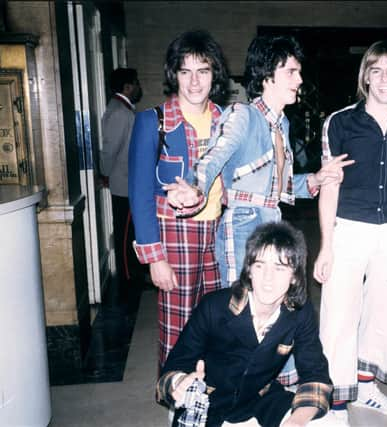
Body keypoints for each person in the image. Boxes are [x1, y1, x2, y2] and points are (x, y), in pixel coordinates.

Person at [164, 34, 353, 289]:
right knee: (240, 306)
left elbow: (277, 188)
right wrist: (195, 187)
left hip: (272, 220)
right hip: (243, 222)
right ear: (267, 75)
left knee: (266, 308)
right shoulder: (243, 115)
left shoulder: (281, 123)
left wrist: (316, 179)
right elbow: (212, 157)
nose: (299, 80)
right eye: (291, 72)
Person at [313, 39, 387, 424]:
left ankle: (366, 388)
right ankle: (335, 402)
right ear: (365, 76)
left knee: (384, 311)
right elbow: (329, 185)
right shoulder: (341, 122)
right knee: (340, 313)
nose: (385, 78)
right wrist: (326, 246)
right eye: (376, 70)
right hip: (349, 228)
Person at [156, 222, 342, 427]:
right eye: (260, 265)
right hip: (206, 403)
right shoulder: (214, 306)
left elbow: (315, 374)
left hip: (259, 400)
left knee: (329, 423)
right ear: (250, 270)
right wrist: (179, 383)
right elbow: (173, 368)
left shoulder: (299, 312)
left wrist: (296, 422)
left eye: (279, 268)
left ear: (295, 277)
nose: (267, 279)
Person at [128, 29, 229, 368]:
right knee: (178, 324)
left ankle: (209, 393)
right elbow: (140, 194)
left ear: (214, 74)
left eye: (203, 70)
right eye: (185, 71)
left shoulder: (226, 121)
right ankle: (177, 399)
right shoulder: (152, 122)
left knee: (218, 321)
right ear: (175, 75)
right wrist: (154, 257)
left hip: (218, 233)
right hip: (175, 234)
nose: (195, 81)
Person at [99, 67, 143, 302]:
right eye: (135, 83)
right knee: (126, 234)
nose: (138, 87)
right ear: (127, 86)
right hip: (122, 183)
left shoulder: (123, 109)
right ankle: (127, 278)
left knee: (130, 232)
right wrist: (104, 174)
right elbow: (110, 148)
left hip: (127, 182)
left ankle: (131, 274)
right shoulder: (119, 112)